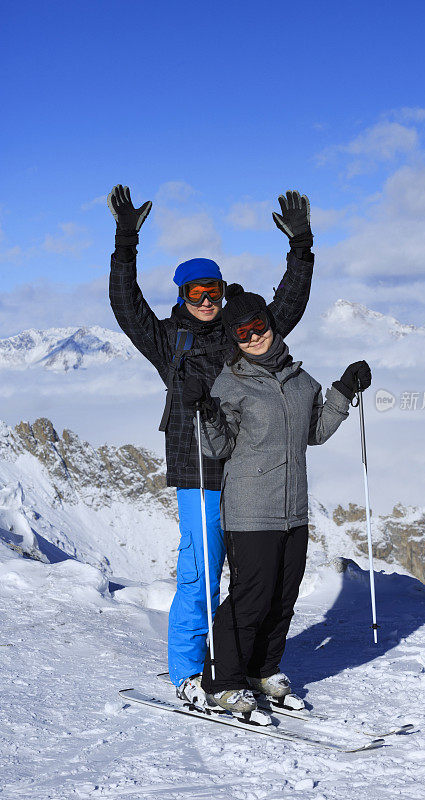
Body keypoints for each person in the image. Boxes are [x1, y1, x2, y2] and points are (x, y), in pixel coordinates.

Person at [107, 185, 315, 707]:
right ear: (180, 296)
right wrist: (126, 240)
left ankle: (243, 669)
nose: (206, 303)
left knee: (254, 579)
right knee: (201, 574)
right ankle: (187, 672)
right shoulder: (167, 340)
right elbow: (125, 305)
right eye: (195, 294)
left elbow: (286, 305)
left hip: (246, 473)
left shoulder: (239, 333)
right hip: (199, 469)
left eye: (213, 293)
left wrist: (302, 247)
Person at [183, 284, 371, 712]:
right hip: (250, 511)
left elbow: (315, 433)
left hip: (293, 509)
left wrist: (343, 389)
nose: (253, 337)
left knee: (284, 597)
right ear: (234, 339)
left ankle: (262, 670)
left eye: (258, 326)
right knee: (250, 598)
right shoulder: (230, 383)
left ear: (270, 323)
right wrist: (207, 411)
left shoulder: (302, 382)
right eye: (242, 333)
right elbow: (216, 448)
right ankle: (220, 683)